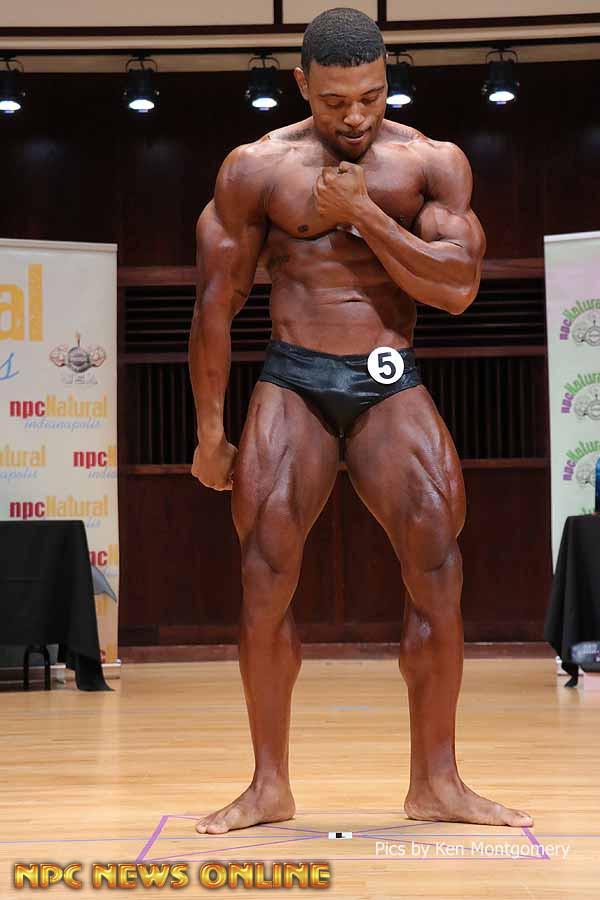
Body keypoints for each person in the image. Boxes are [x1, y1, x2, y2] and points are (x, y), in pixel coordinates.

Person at [189, 7, 533, 834]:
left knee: (438, 564)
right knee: (264, 574)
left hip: (387, 373)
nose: (355, 117)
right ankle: (268, 785)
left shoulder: (431, 162)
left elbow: (456, 289)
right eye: (336, 100)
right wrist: (209, 432)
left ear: (387, 81)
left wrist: (364, 214)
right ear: (301, 84)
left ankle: (437, 783)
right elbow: (215, 305)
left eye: (371, 97)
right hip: (293, 376)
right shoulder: (256, 169)